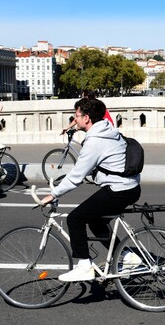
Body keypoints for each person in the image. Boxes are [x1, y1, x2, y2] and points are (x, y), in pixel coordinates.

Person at [40, 98, 141, 282]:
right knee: (95, 221)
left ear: (86, 118)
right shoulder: (108, 129)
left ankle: (84, 266)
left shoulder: (94, 141)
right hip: (130, 186)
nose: (74, 119)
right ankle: (127, 257)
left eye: (76, 116)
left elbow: (76, 177)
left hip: (119, 189)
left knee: (75, 218)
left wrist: (53, 194)